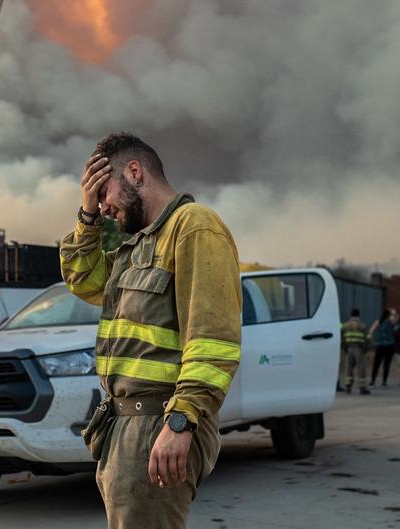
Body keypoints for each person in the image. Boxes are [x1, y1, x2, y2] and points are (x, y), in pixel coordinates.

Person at [60, 133, 241, 529]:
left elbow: (213, 342)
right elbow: (83, 279)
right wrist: (87, 216)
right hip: (124, 428)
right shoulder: (139, 245)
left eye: (103, 192)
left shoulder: (194, 227)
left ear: (135, 173)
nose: (104, 206)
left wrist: (181, 421)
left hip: (159, 425)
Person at [341, 308, 371, 395]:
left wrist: (344, 348)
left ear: (351, 315)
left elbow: (342, 339)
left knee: (348, 368)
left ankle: (348, 387)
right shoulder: (362, 325)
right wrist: (367, 349)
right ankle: (362, 388)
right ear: (358, 315)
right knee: (361, 368)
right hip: (359, 349)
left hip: (349, 349)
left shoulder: (345, 326)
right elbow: (368, 338)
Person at [369, 309, 396, 387]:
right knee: (386, 365)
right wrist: (394, 313)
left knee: (376, 364)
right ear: (389, 315)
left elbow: (371, 331)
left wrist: (373, 342)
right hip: (389, 346)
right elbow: (396, 319)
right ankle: (384, 381)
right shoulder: (390, 322)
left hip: (380, 345)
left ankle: (373, 380)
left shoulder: (378, 322)